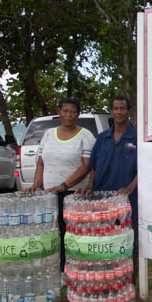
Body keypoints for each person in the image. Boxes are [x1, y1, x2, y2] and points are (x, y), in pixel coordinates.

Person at [23, 98, 96, 271]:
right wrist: (36, 185)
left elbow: (87, 166)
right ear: (59, 112)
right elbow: (41, 163)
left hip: (74, 194)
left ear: (78, 114)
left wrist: (64, 185)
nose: (69, 115)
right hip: (51, 194)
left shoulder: (85, 135)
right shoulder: (49, 134)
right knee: (56, 234)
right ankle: (63, 269)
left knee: (74, 234)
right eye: (65, 111)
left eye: (73, 112)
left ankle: (78, 269)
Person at [78, 95, 138, 236]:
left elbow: (143, 169)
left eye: (122, 109)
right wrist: (90, 184)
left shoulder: (137, 138)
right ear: (111, 111)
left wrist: (130, 188)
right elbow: (93, 167)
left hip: (126, 199)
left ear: (129, 111)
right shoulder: (102, 138)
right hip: (102, 197)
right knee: (103, 235)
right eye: (116, 108)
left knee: (126, 237)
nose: (119, 112)